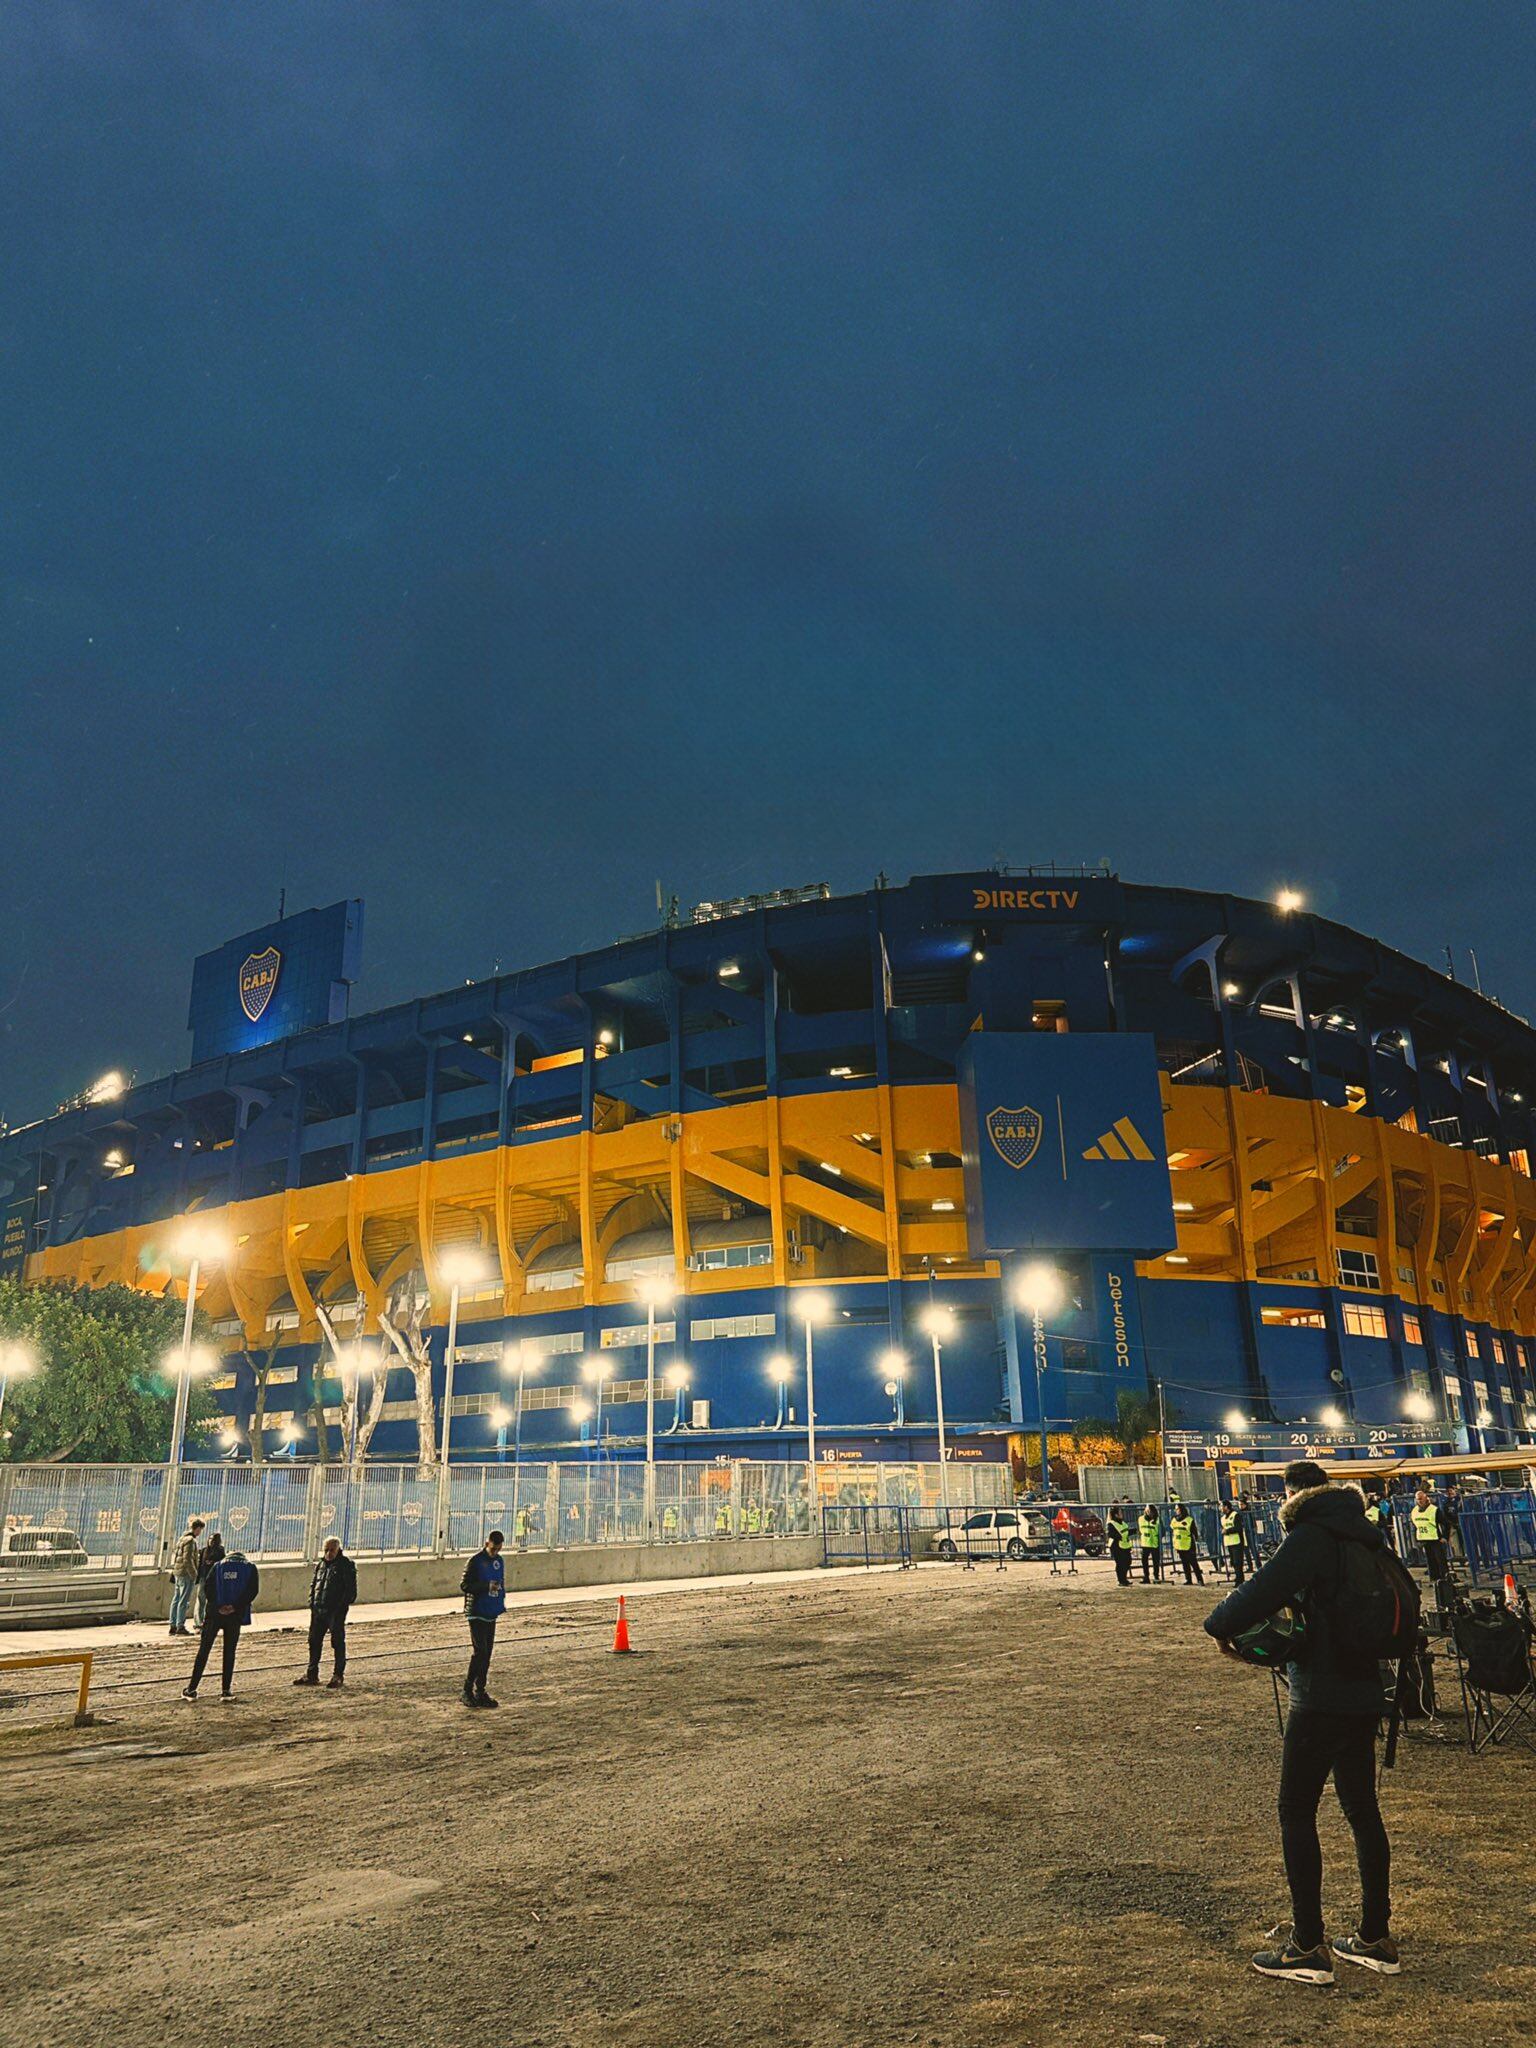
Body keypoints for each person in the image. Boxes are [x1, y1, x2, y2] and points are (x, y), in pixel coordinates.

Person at [1204, 1461, 1397, 1985]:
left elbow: (1258, 1593)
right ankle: (1375, 1937)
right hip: (1366, 1690)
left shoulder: (1311, 1537)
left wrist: (1216, 1624)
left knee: (1295, 1809)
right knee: (1362, 1808)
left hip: (1320, 1693)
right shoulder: (1365, 1533)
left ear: (1293, 1495)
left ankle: (1307, 1946)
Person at [182, 1547, 260, 1702]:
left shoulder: (218, 1566)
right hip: (235, 1616)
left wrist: (218, 1606)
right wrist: (234, 1607)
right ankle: (226, 1690)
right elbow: (252, 1591)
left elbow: (207, 1588)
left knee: (204, 1650)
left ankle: (192, 1688)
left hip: (214, 1615)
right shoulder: (250, 1568)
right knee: (229, 1652)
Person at [295, 1537, 357, 1689]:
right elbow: (314, 1585)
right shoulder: (320, 1565)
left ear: (338, 1550)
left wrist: (338, 1608)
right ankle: (312, 1674)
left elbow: (351, 1592)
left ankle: (338, 1675)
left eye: (332, 1550)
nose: (329, 1553)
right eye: (326, 1550)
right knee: (314, 1641)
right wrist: (312, 1603)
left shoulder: (346, 1565)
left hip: (335, 1612)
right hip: (318, 1610)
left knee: (337, 1643)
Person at [460, 1529, 506, 1709]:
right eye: (493, 1549)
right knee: (480, 1652)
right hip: (476, 1611)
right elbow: (464, 1585)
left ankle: (480, 1691)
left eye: (498, 1549)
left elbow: (500, 1583)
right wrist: (485, 1586)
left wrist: (500, 1599)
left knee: (487, 1653)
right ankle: (467, 1689)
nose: (495, 1553)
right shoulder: (475, 1561)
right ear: (487, 1543)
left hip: (490, 1612)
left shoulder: (499, 1561)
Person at [167, 1517, 205, 1637]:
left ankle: (173, 1625)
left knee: (176, 1598)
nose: (200, 1532)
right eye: (201, 1530)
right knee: (183, 1600)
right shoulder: (191, 1541)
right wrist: (194, 1575)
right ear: (197, 1528)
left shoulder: (182, 1538)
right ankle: (180, 1626)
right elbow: (188, 1560)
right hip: (186, 1574)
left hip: (178, 1573)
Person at [1410, 1489, 1449, 1582]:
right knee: (1430, 1561)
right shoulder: (1414, 1510)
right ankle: (1434, 1579)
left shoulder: (1434, 1510)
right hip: (1424, 1539)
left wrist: (1444, 1537)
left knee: (1440, 1560)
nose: (1420, 1501)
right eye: (1418, 1499)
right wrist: (1416, 1539)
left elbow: (1446, 1523)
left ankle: (1445, 1579)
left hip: (1435, 1538)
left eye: (1421, 1499)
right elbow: (1415, 1525)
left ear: (1426, 1498)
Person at [195, 1529, 225, 1628]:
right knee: (201, 1599)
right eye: (210, 1539)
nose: (210, 1541)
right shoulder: (204, 1550)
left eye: (213, 1539)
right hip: (204, 1577)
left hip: (214, 1578)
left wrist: (212, 1563)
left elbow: (221, 1563)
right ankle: (199, 1621)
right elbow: (200, 1564)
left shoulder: (220, 1550)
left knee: (212, 1600)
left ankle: (211, 1620)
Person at [1170, 1501, 1205, 1585]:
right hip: (1179, 1544)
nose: (1176, 1511)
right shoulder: (1174, 1519)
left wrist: (1196, 1540)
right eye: (1175, 1509)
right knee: (1185, 1563)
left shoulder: (1189, 1519)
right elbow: (1173, 1531)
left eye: (1177, 1509)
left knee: (1193, 1563)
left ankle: (1200, 1580)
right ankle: (1188, 1579)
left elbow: (1194, 1531)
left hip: (1189, 1544)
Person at [1105, 1502, 1133, 1587]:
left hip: (1125, 1545)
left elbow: (1126, 1531)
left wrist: (1134, 1531)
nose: (1122, 1514)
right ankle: (1121, 1580)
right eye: (1120, 1513)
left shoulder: (1123, 1523)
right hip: (1116, 1546)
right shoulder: (1111, 1524)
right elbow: (1111, 1534)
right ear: (1116, 1515)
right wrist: (1119, 1537)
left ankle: (1124, 1579)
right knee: (1120, 1563)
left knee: (1128, 1562)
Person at [1220, 1501, 1247, 1584]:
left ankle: (1240, 1580)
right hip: (1229, 1542)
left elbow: (1238, 1528)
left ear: (1226, 1507)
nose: (1220, 1508)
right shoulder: (1223, 1518)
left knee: (1238, 1562)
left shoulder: (1235, 1515)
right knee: (1233, 1562)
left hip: (1237, 1541)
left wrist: (1227, 1531)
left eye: (1221, 1506)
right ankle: (1238, 1577)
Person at [1137, 1503, 1163, 1583]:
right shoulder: (1141, 1519)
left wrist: (1158, 1537)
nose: (1148, 1512)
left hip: (1154, 1543)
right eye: (1147, 1510)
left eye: (1150, 1511)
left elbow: (1162, 1531)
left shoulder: (1158, 1519)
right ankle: (1146, 1577)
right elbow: (1139, 1530)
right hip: (1145, 1544)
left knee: (1156, 1561)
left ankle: (1156, 1576)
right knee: (1144, 1561)